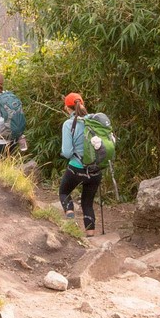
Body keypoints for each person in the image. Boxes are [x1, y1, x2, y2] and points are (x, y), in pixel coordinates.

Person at [59, 92, 102, 237]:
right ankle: (90, 234)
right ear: (82, 104)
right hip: (95, 170)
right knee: (87, 203)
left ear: (67, 107)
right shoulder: (95, 121)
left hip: (76, 169)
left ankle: (70, 211)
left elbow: (66, 151)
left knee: (64, 192)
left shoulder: (69, 124)